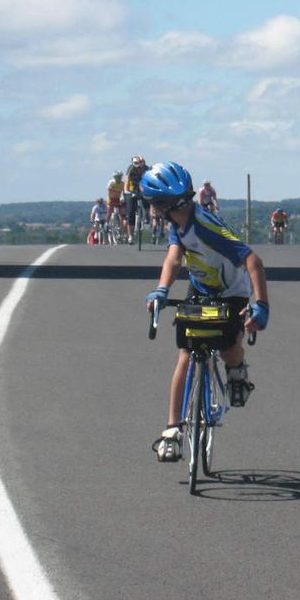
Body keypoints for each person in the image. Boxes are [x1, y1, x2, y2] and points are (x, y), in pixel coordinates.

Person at [142, 161, 270, 462]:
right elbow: (174, 259)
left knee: (227, 349)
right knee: (186, 355)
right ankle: (172, 430)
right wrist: (162, 289)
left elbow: (253, 261)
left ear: (162, 205)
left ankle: (236, 369)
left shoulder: (206, 227)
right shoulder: (179, 223)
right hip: (201, 289)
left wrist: (261, 305)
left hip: (231, 292)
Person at [124, 155, 150, 244]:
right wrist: (126, 191)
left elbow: (151, 180)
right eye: (137, 166)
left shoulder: (147, 169)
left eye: (141, 166)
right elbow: (126, 181)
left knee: (147, 200)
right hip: (132, 190)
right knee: (131, 212)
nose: (139, 168)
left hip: (143, 188)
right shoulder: (131, 169)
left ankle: (147, 214)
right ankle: (131, 236)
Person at [106, 171, 128, 241]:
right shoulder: (111, 183)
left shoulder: (122, 184)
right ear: (114, 177)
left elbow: (124, 193)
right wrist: (111, 201)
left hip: (118, 199)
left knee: (121, 213)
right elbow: (109, 192)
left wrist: (123, 199)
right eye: (116, 177)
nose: (118, 178)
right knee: (110, 210)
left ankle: (121, 225)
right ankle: (106, 223)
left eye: (119, 177)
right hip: (111, 198)